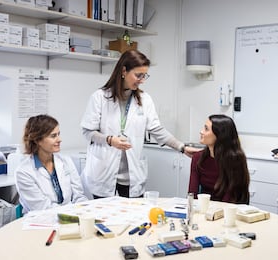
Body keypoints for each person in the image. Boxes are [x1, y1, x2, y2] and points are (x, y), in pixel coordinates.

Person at [81, 50, 198, 199]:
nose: (142, 80)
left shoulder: (144, 99)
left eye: (145, 76)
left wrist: (181, 147)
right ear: (124, 71)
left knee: (133, 220)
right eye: (138, 75)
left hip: (131, 177)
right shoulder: (100, 97)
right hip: (103, 174)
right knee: (107, 220)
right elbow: (88, 132)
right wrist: (110, 140)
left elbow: (156, 129)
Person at [15, 114, 88, 213]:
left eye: (58, 134)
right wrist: (71, 213)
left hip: (71, 215)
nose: (59, 139)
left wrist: (86, 210)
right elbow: (42, 208)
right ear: (37, 140)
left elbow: (79, 195)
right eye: (53, 136)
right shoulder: (24, 172)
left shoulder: (66, 161)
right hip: (41, 221)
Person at [188, 114, 250, 204]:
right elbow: (192, 194)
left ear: (219, 135)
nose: (201, 132)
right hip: (205, 208)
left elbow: (230, 199)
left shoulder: (235, 160)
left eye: (206, 129)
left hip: (229, 210)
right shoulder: (197, 158)